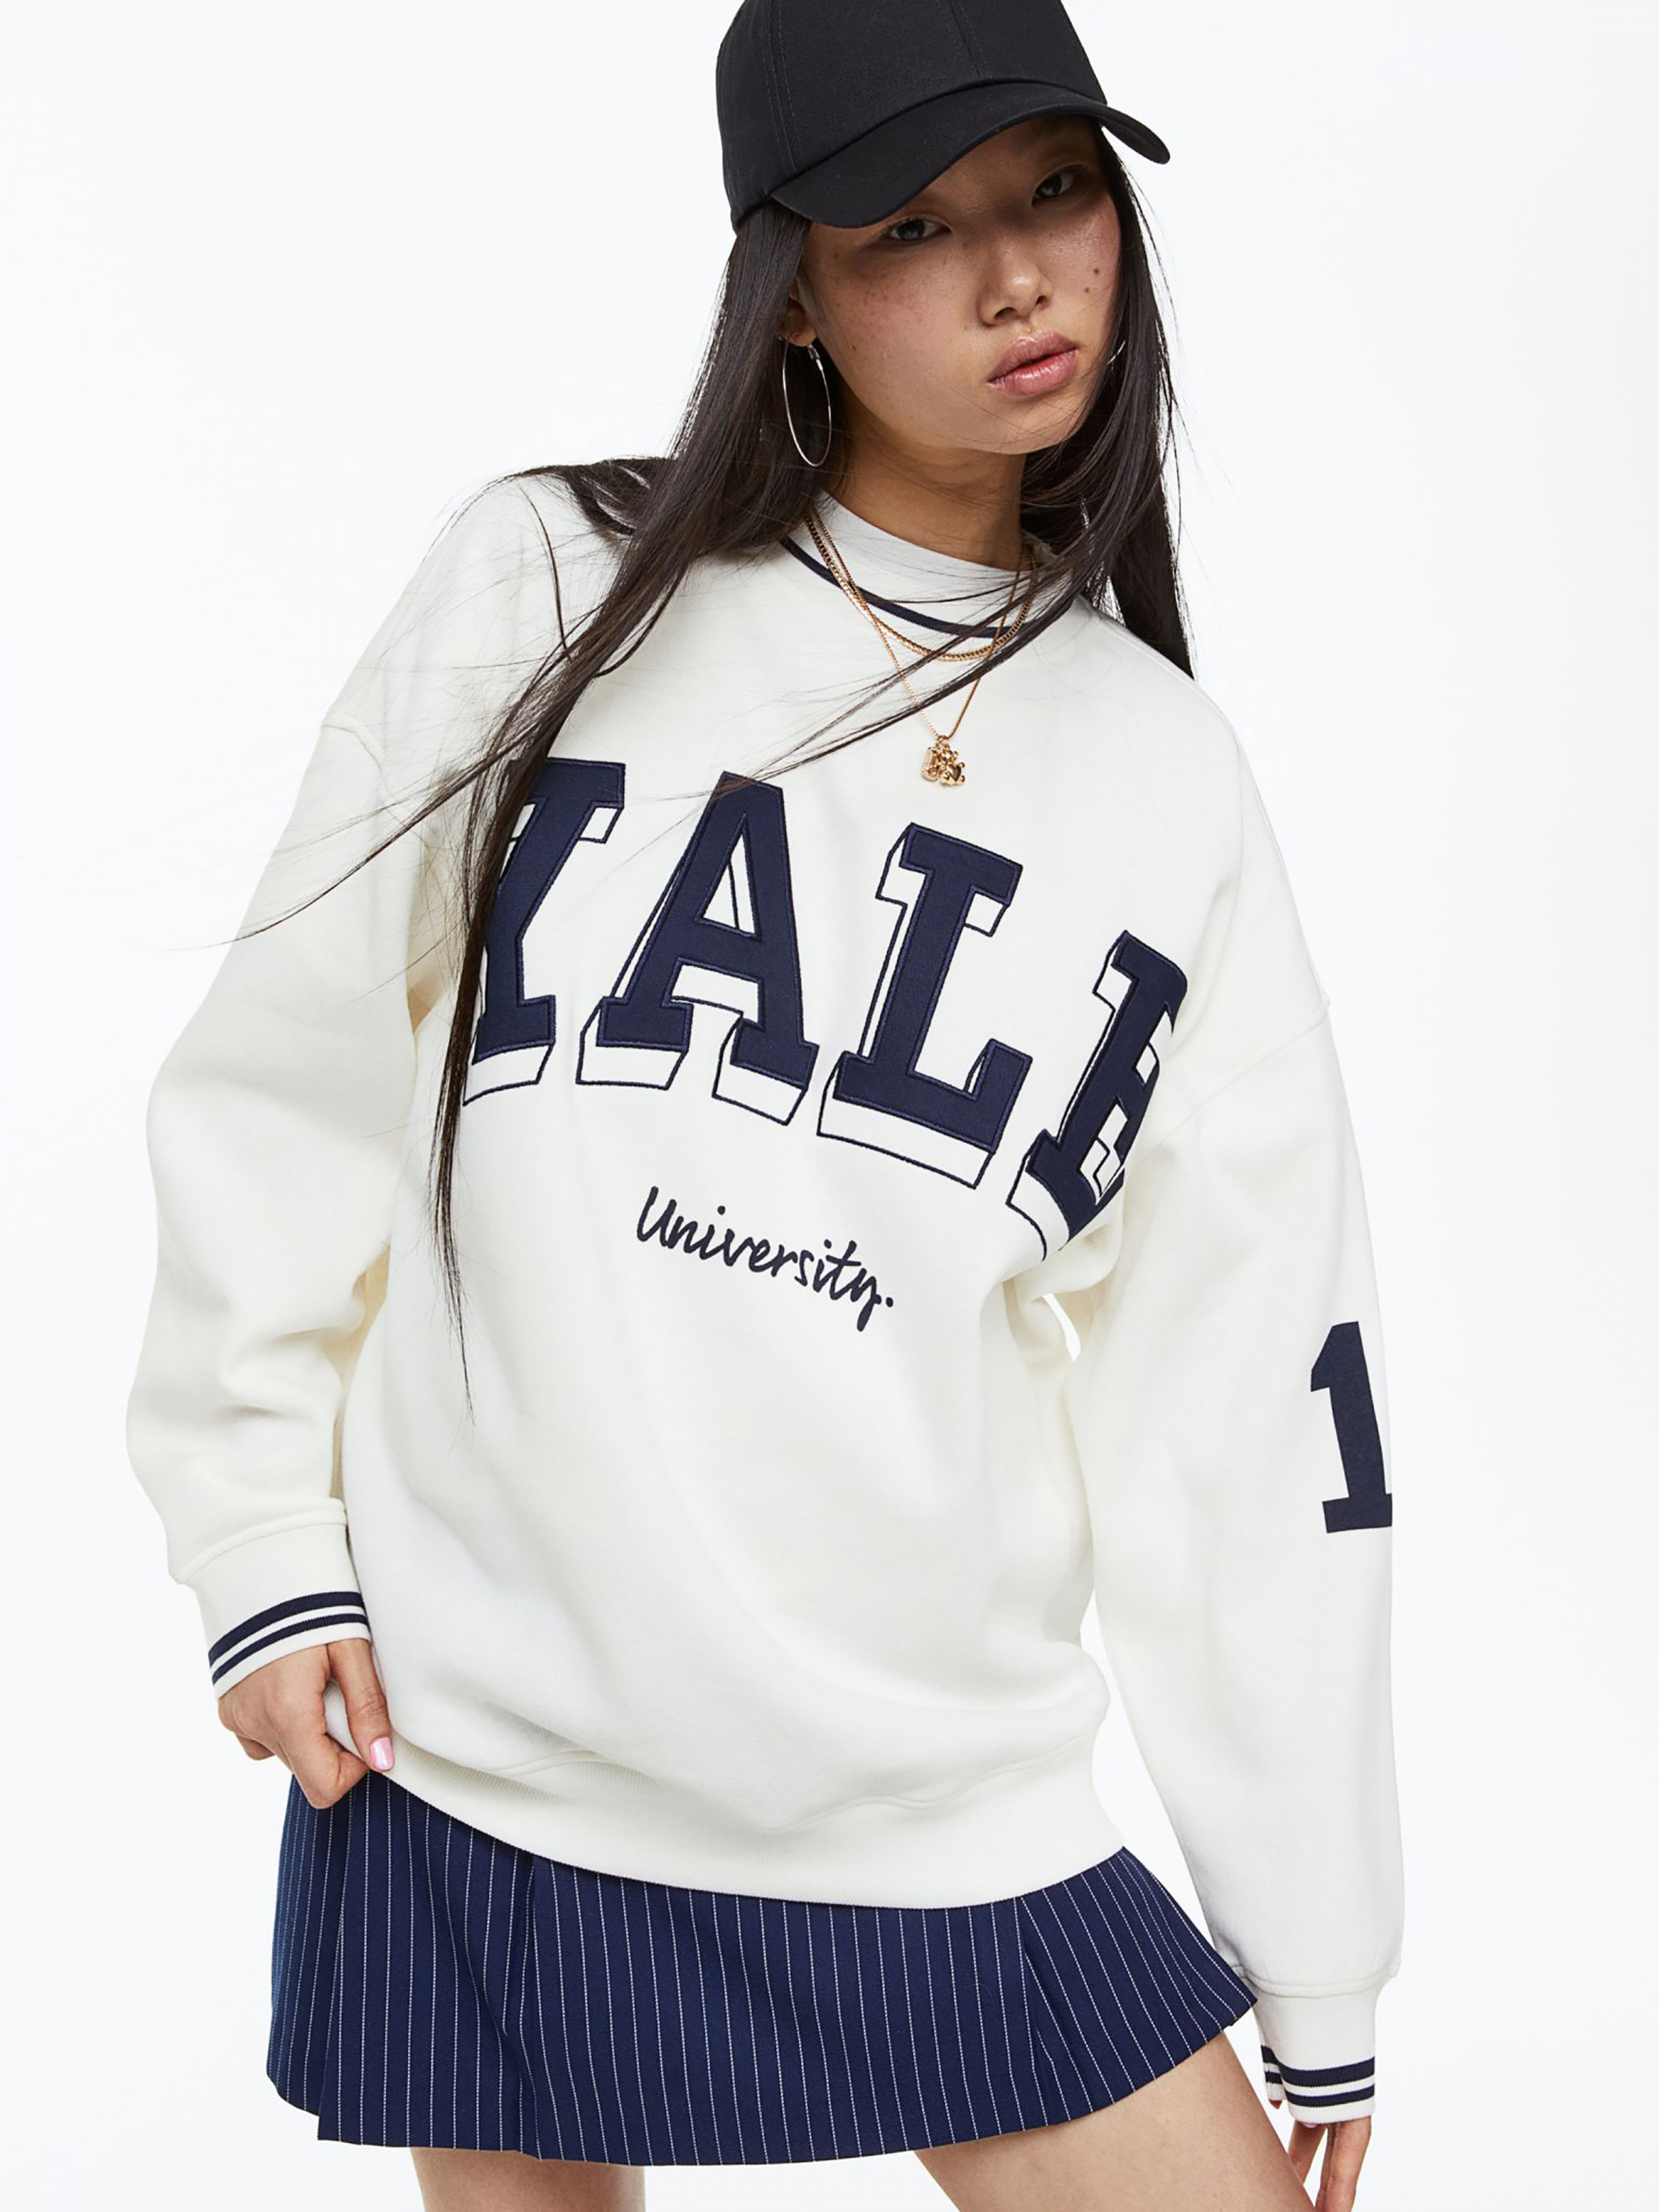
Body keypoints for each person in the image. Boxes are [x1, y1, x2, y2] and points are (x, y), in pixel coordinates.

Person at [124, 2, 1404, 2207]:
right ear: (791, 289)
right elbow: (287, 1068)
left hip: (930, 1800)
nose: (1017, 276)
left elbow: (1243, 1391)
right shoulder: (550, 587)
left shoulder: (1160, 771)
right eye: (914, 226)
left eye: (1057, 189)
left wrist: (1317, 1936)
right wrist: (258, 1541)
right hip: (488, 1755)